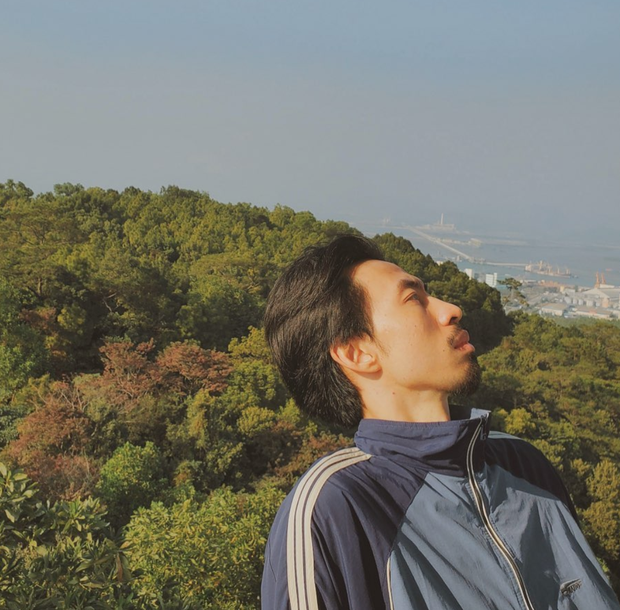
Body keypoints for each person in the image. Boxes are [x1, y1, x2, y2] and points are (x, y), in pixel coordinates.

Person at [261, 234, 619, 610]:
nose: (451, 310)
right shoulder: (336, 507)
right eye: (413, 299)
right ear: (356, 352)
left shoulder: (524, 464)